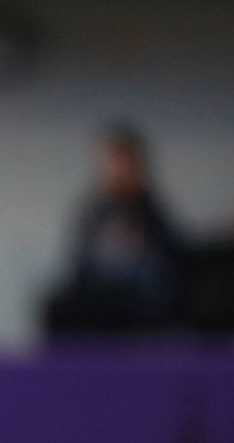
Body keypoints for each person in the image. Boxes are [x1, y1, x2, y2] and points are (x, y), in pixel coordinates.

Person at [44, 124, 184, 334]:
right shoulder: (93, 212)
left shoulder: (152, 212)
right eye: (112, 162)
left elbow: (170, 263)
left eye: (124, 162)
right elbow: (80, 267)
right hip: (99, 296)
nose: (118, 170)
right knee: (60, 306)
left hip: (142, 297)